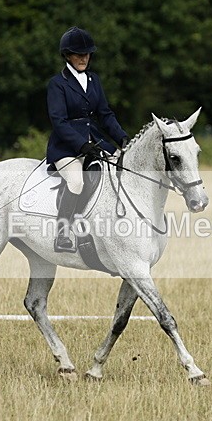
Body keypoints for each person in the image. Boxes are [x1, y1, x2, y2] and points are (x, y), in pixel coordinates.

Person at [46, 26, 129, 252]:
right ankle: (63, 233)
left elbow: (105, 114)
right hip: (66, 148)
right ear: (67, 55)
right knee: (76, 182)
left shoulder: (94, 80)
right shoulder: (57, 83)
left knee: (120, 172)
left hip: (96, 142)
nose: (83, 58)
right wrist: (81, 145)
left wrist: (122, 139)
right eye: (78, 54)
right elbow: (59, 121)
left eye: (87, 54)